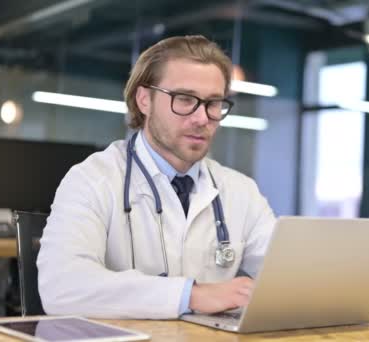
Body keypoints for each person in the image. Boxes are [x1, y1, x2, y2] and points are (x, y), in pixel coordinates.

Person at [37, 35, 276, 319]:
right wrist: (192, 295)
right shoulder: (92, 180)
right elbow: (62, 288)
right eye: (185, 99)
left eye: (213, 103)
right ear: (144, 100)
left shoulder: (240, 191)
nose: (202, 118)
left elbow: (290, 277)